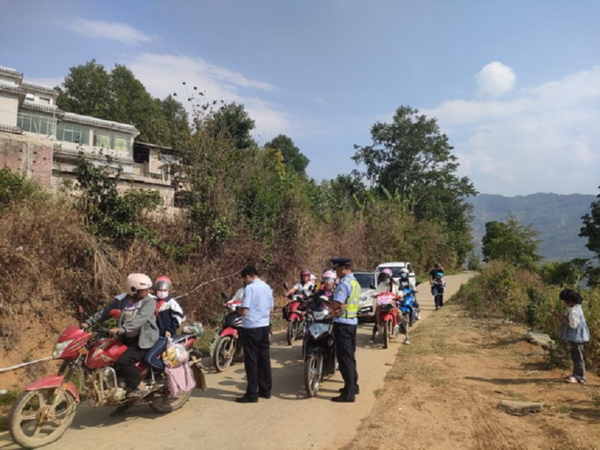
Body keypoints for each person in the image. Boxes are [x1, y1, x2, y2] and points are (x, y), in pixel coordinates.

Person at [81, 273, 159, 417]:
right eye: (144, 290)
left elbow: (141, 319)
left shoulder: (149, 302)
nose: (147, 292)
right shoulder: (121, 300)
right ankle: (124, 399)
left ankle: (140, 387)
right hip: (125, 337)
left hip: (144, 339)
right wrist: (87, 323)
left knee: (125, 361)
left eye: (148, 289)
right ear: (133, 289)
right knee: (110, 361)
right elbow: (104, 313)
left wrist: (122, 329)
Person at [236, 266, 275, 403]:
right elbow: (271, 308)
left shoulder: (250, 288)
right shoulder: (266, 287)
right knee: (264, 358)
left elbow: (245, 311)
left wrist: (237, 309)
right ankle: (266, 390)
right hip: (264, 326)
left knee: (251, 360)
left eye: (244, 279)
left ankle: (252, 393)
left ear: (247, 277)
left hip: (251, 327)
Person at [330, 257, 360, 403]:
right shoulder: (355, 282)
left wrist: (329, 304)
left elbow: (337, 303)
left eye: (336, 269)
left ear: (342, 268)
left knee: (344, 358)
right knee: (350, 356)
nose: (336, 272)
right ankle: (353, 385)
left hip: (342, 324)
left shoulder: (344, 284)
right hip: (352, 322)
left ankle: (349, 394)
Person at [144, 276, 186, 372]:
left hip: (163, 336)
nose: (162, 292)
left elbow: (179, 317)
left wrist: (170, 329)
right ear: (156, 289)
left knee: (149, 359)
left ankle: (171, 370)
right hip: (150, 335)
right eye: (160, 289)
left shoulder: (171, 303)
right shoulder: (151, 300)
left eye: (164, 290)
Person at [554, 289, 590, 384]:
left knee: (578, 357)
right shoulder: (577, 308)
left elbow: (573, 325)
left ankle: (580, 377)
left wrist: (562, 320)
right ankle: (576, 374)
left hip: (576, 337)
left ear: (569, 301)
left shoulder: (573, 311)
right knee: (575, 357)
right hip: (577, 337)